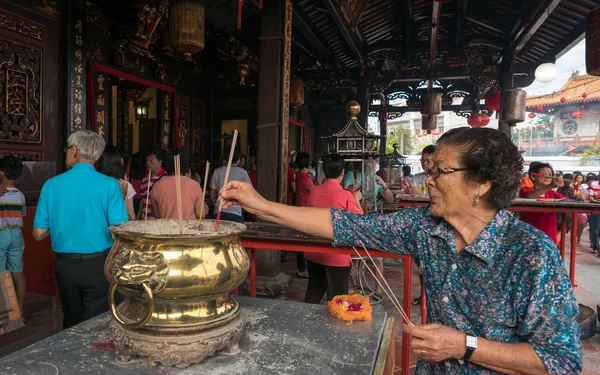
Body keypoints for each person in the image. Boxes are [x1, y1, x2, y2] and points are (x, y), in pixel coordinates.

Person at [220, 127, 581, 374]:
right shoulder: (425, 226)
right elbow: (344, 225)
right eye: (430, 169)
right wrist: (260, 204)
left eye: (441, 171)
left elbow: (560, 361)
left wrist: (463, 345)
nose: (429, 180)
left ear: (482, 183)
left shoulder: (530, 254)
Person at [33, 130, 128, 329]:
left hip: (66, 266)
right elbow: (120, 229)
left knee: (71, 318)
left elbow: (39, 233)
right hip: (99, 264)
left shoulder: (51, 185)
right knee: (99, 321)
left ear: (74, 151)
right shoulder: (110, 185)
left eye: (67, 150)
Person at [304, 154, 363, 304]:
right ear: (342, 172)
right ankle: (334, 327)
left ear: (323, 171)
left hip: (314, 250)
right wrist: (356, 198)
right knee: (338, 299)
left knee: (314, 291)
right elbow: (361, 222)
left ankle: (306, 323)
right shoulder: (346, 196)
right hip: (337, 254)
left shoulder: (314, 191)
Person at [0, 156, 27, 316]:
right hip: (17, 235)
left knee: (2, 275)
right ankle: (19, 312)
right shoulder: (21, 195)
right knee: (18, 274)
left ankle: (4, 315)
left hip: (1, 234)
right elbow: (22, 214)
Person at [519, 163, 567, 245]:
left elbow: (567, 201)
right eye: (544, 174)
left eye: (550, 175)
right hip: (530, 235)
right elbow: (530, 197)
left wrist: (579, 197)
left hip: (549, 236)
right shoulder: (525, 190)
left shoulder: (552, 193)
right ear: (533, 176)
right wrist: (551, 186)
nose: (548, 177)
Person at [151, 151, 208, 220]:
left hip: (166, 229)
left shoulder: (157, 186)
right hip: (188, 229)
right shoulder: (194, 185)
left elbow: (156, 215)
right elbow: (200, 214)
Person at [209, 147, 251, 223]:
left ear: (224, 159)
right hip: (236, 212)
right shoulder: (243, 173)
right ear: (238, 160)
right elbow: (249, 193)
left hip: (219, 210)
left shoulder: (217, 171)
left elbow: (212, 195)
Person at [96, 145, 136, 221]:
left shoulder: (94, 183)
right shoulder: (124, 185)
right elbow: (131, 217)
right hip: (116, 229)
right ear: (119, 162)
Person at [294, 152, 313, 278]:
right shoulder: (304, 177)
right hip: (304, 210)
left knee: (301, 240)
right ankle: (302, 268)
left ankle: (302, 267)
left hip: (300, 209)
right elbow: (314, 189)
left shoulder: (300, 175)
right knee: (303, 241)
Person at [137, 150, 167, 220]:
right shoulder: (145, 179)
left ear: (160, 162)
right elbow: (143, 199)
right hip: (144, 219)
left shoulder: (165, 179)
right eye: (146, 160)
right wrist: (138, 217)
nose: (148, 163)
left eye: (151, 160)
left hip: (156, 219)